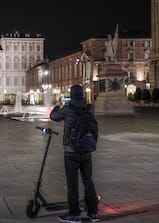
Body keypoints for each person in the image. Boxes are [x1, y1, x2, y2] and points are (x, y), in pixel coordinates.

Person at [50, 85, 99, 223]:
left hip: (71, 152)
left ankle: (74, 213)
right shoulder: (89, 108)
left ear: (71, 95)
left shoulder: (67, 109)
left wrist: (57, 105)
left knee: (72, 184)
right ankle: (93, 212)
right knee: (88, 181)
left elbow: (53, 116)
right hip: (87, 150)